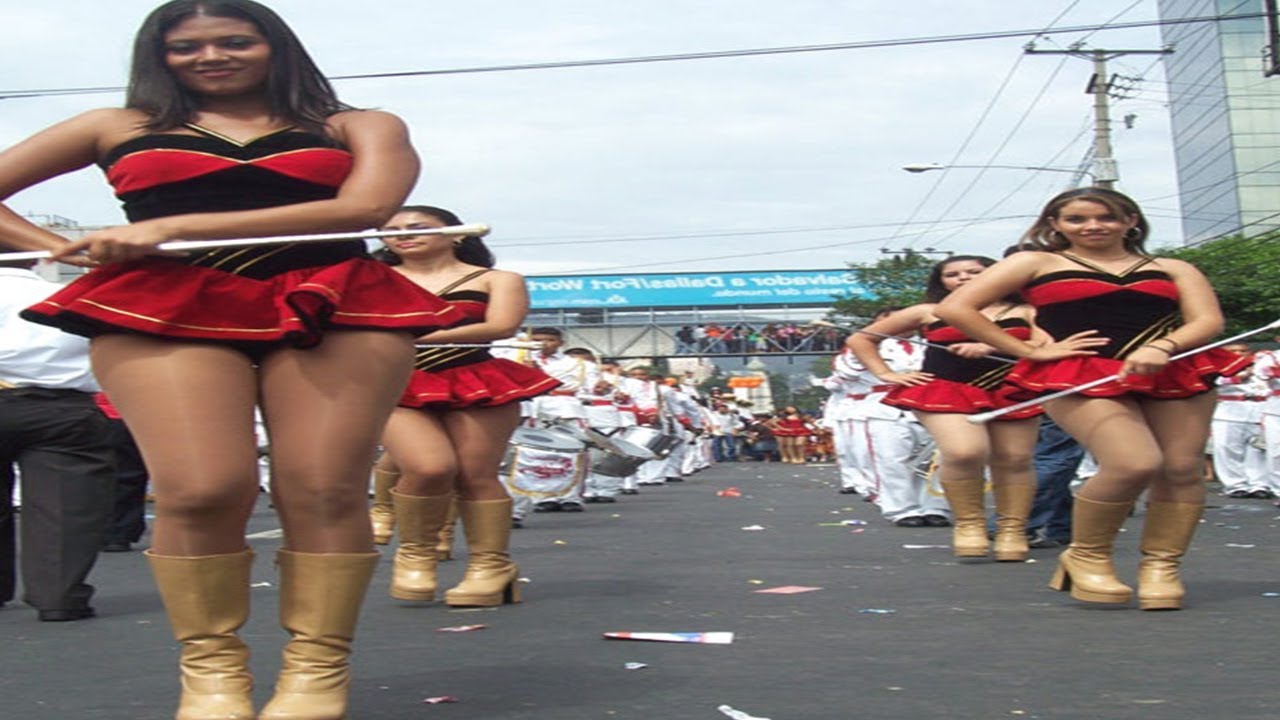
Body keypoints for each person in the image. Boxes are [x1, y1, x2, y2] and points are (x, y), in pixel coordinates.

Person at [2, 2, 468, 717]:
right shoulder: (115, 125)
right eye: (184, 46)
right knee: (198, 489)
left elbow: (368, 208)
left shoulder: (359, 124)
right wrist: (56, 247)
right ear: (157, 56)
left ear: (274, 45)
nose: (209, 55)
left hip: (332, 298)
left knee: (321, 487)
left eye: (233, 40)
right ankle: (211, 671)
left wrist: (179, 224)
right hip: (163, 305)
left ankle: (317, 670)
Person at [935, 187, 1248, 610]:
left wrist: (1164, 346)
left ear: (1130, 220)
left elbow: (1208, 320)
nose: (1093, 226)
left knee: (1180, 468)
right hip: (1078, 373)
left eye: (1106, 217)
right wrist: (1030, 351)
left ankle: (1161, 567)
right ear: (1055, 225)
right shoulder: (1034, 262)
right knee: (1133, 462)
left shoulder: (1173, 267)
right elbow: (957, 309)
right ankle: (1087, 556)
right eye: (1077, 219)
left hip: (1171, 369)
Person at [372, 205, 556, 607]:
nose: (403, 235)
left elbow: (500, 326)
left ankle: (491, 568)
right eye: (391, 230)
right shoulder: (369, 279)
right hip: (395, 382)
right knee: (428, 466)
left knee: (476, 474)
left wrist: (412, 339)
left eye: (417, 227)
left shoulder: (498, 279)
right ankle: (416, 553)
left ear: (458, 234)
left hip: (474, 379)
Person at [848, 256, 1050, 561]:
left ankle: (1013, 529)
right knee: (964, 451)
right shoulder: (927, 311)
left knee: (1014, 458)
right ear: (941, 281)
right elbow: (862, 338)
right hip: (946, 389)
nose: (963, 277)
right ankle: (969, 524)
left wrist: (995, 345)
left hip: (1011, 388)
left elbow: (1047, 346)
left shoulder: (1026, 310)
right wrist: (886, 373)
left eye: (974, 272)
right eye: (952, 274)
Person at [0, 260, 116, 621]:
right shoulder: (68, 295)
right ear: (34, 257)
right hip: (61, 406)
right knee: (65, 506)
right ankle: (58, 596)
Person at [1208, 344, 1270, 498]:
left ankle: (1259, 484)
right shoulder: (1217, 365)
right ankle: (1235, 485)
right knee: (1227, 448)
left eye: (1243, 351)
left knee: (1257, 449)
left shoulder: (1261, 364)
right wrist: (1239, 377)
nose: (1239, 353)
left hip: (1258, 409)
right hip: (1229, 410)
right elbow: (1214, 382)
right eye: (1233, 351)